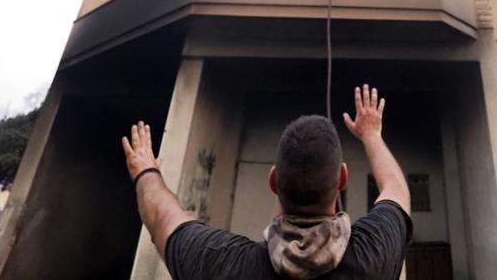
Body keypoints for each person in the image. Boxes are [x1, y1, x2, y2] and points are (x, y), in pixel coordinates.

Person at [122, 84, 412, 280]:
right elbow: (396, 189)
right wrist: (371, 133)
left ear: (273, 180)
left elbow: (163, 219)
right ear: (343, 179)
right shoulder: (374, 254)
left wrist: (145, 171)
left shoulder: (225, 266)